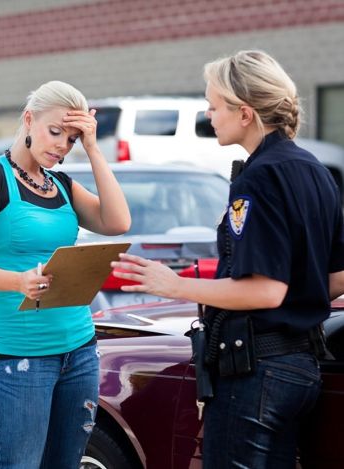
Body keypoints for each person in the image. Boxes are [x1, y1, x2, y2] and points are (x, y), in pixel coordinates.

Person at [112, 50, 344, 468]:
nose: (208, 115)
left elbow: (266, 290)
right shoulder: (315, 170)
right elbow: (337, 277)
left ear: (244, 113)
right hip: (301, 368)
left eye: (214, 105)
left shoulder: (260, 176)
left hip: (258, 373)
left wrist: (174, 285)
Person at [0, 80, 131, 468]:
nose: (61, 146)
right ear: (29, 120)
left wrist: (94, 148)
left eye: (71, 139)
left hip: (79, 350)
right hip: (21, 357)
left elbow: (118, 222)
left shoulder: (62, 185)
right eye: (55, 132)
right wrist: (17, 281)